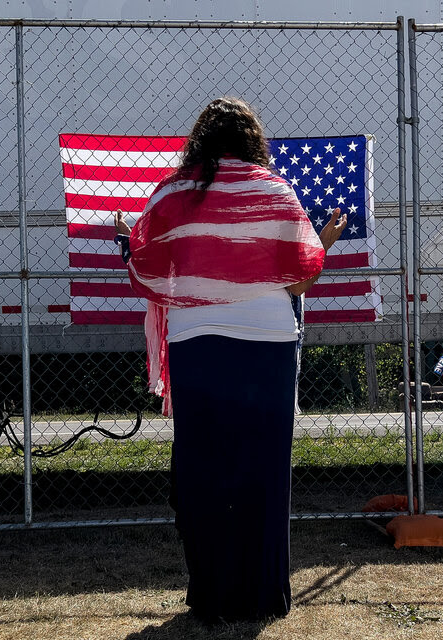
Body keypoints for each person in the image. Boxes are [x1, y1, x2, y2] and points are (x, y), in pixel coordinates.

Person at [115, 97, 346, 623]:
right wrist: (324, 243)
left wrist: (128, 238)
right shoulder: (274, 190)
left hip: (197, 343)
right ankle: (263, 595)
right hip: (268, 344)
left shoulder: (174, 194)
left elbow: (148, 263)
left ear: (200, 139)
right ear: (252, 139)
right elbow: (299, 280)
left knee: (204, 470)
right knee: (263, 472)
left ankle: (211, 597)